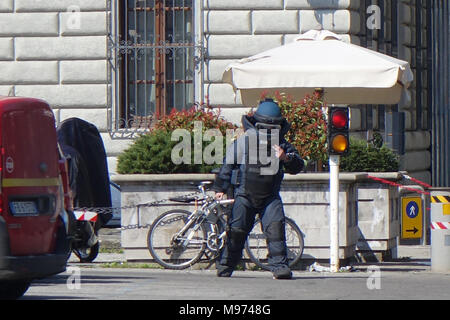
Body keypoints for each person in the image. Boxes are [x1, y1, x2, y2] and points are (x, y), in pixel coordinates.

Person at [212, 98, 304, 279]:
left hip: (270, 196)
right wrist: (220, 188)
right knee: (236, 231)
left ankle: (279, 268)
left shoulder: (282, 144)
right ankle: (225, 266)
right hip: (244, 195)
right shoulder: (244, 142)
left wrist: (286, 158)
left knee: (276, 230)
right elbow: (228, 166)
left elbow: (298, 166)